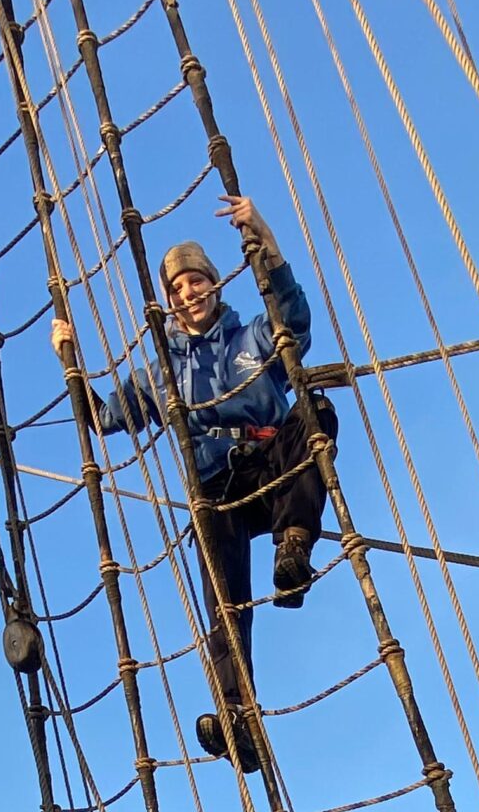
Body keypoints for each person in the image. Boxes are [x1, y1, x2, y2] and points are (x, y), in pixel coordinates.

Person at [50, 194, 335, 769]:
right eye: (177, 288)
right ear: (168, 302)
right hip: (216, 488)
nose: (188, 293)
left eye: (196, 281)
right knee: (223, 599)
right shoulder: (159, 371)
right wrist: (69, 360)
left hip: (272, 466)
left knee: (315, 412)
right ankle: (237, 716)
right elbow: (104, 418)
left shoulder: (252, 337)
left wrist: (267, 239)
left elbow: (295, 322)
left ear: (214, 284)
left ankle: (294, 549)